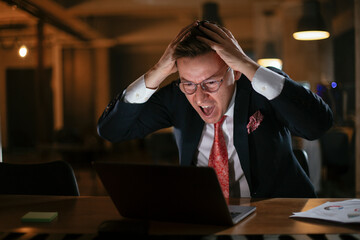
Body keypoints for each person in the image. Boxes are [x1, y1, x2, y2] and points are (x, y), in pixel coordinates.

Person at [97, 20, 333, 198]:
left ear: (235, 72)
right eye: (189, 83)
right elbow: (112, 131)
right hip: (204, 217)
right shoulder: (178, 96)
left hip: (275, 216)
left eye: (211, 82)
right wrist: (158, 70)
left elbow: (317, 125)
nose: (200, 97)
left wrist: (248, 65)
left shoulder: (259, 88)